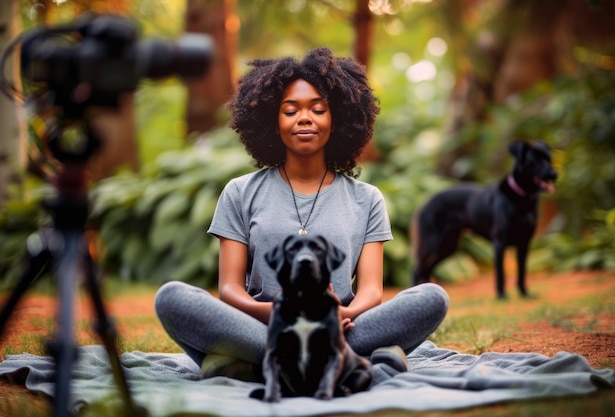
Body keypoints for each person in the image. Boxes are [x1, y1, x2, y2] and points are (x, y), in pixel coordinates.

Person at [154, 47, 449, 381]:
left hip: (342, 325)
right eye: (290, 110)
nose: (305, 118)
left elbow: (371, 290)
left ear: (337, 119)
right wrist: (281, 313)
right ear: (271, 121)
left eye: (318, 109)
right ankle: (348, 362)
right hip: (265, 322)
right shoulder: (240, 192)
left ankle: (253, 363)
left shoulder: (367, 199)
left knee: (431, 297)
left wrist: (343, 314)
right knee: (173, 298)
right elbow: (230, 290)